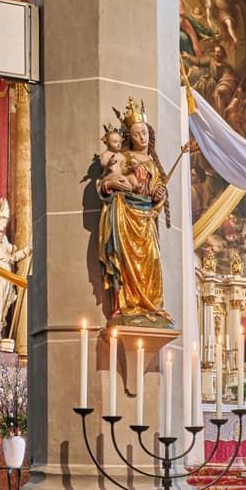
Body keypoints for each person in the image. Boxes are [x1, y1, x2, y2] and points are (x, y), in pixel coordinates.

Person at [95, 99, 175, 328]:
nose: (143, 138)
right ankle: (125, 305)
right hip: (124, 214)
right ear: (130, 136)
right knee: (123, 259)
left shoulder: (153, 162)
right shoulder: (122, 157)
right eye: (138, 134)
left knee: (153, 259)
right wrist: (114, 184)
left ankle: (151, 305)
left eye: (145, 133)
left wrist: (159, 194)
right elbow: (105, 182)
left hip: (146, 217)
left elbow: (157, 196)